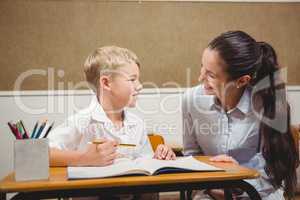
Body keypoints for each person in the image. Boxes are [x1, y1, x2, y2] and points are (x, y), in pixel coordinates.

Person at [182, 31, 298, 200]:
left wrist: (238, 182)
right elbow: (191, 155)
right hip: (210, 190)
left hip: (259, 191)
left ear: (242, 81)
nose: (200, 78)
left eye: (211, 75)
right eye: (202, 67)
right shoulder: (190, 100)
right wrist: (210, 185)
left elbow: (274, 171)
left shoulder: (265, 105)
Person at [48, 46, 175, 199]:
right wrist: (84, 159)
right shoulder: (82, 121)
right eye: (132, 79)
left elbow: (144, 163)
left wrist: (158, 158)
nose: (139, 86)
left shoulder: (137, 123)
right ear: (106, 83)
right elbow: (42, 154)